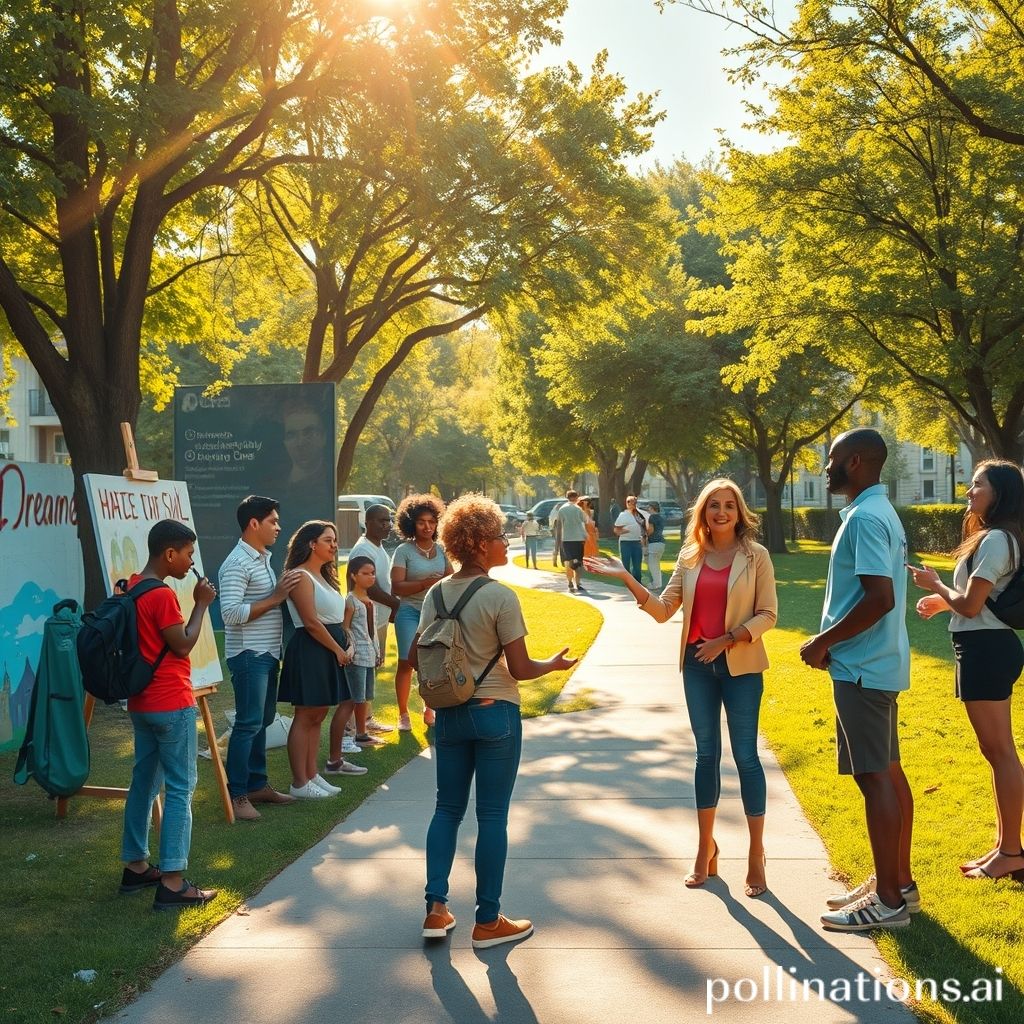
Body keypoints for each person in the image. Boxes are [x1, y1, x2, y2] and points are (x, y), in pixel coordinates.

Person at [585, 479, 777, 899]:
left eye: (729, 505)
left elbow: (768, 614)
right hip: (696, 668)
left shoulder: (755, 556)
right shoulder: (690, 557)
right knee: (705, 755)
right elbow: (663, 610)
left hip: (740, 667)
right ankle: (705, 847)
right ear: (703, 513)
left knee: (745, 756)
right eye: (713, 506)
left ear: (739, 512)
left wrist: (726, 640)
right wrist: (627, 579)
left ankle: (756, 853)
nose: (721, 512)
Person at [414, 494, 576, 947]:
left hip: (448, 714)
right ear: (481, 543)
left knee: (446, 810)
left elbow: (419, 654)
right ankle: (488, 920)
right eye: (500, 536)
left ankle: (436, 909)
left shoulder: (434, 592)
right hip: (495, 715)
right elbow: (521, 669)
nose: (506, 543)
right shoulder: (500, 597)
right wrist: (553, 665)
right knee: (491, 816)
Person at [799, 428, 918, 932]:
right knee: (888, 772)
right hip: (876, 665)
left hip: (862, 668)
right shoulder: (876, 512)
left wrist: (824, 641)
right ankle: (900, 885)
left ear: (856, 461)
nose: (825, 468)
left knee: (875, 779)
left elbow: (879, 598)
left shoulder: (867, 518)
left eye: (832, 459)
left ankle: (888, 902)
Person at [909, 459, 1024, 882]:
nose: (970, 491)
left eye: (978, 485)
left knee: (1000, 752)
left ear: (1000, 493)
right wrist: (944, 601)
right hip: (982, 646)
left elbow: (973, 606)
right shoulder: (997, 537)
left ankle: (1012, 852)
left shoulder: (996, 538)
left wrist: (936, 586)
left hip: (986, 650)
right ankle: (1004, 847)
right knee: (996, 752)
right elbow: (979, 600)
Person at [119, 519, 219, 911]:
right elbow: (182, 645)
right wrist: (201, 604)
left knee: (143, 782)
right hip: (171, 703)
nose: (191, 562)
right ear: (170, 554)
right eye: (189, 554)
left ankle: (136, 865)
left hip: (142, 702)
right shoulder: (161, 595)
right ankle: (174, 882)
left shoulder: (132, 585)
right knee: (180, 787)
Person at [218, 495, 302, 822]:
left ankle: (257, 785)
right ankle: (237, 794)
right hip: (249, 655)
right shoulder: (237, 563)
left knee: (262, 722)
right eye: (273, 521)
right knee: (248, 723)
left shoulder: (260, 558)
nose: (279, 527)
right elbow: (230, 614)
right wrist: (277, 597)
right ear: (254, 523)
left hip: (267, 653)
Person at [278, 521, 356, 798]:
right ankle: (299, 782)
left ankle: (312, 774)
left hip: (329, 648)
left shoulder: (324, 575)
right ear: (312, 544)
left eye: (335, 540)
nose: (334, 545)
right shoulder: (300, 576)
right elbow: (311, 622)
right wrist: (337, 649)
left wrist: (348, 640)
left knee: (319, 713)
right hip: (311, 649)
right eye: (328, 540)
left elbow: (336, 618)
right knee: (306, 714)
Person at [391, 494, 452, 729]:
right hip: (409, 611)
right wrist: (425, 583)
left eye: (431, 522)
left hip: (434, 614)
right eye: (421, 522)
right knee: (407, 662)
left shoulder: (441, 549)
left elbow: (451, 576)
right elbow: (397, 586)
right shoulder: (403, 551)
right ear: (411, 524)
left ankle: (429, 708)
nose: (427, 527)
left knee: (432, 662)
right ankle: (403, 713)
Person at [345, 503, 399, 740]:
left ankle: (365, 720)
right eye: (381, 521)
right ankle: (351, 728)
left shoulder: (378, 547)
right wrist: (397, 604)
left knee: (370, 671)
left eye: (389, 520)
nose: (387, 525)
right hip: (364, 620)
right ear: (367, 523)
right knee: (361, 673)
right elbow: (372, 589)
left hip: (378, 618)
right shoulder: (363, 550)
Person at [324, 557, 379, 776]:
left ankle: (362, 733)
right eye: (366, 573)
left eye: (373, 572)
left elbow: (372, 629)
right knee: (354, 696)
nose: (371, 577)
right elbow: (346, 628)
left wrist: (377, 650)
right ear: (354, 575)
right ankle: (349, 735)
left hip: (370, 652)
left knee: (365, 695)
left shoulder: (369, 599)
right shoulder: (351, 600)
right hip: (356, 655)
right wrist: (352, 647)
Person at [555, 490, 588, 593]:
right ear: (576, 497)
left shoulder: (562, 509)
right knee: (578, 562)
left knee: (568, 562)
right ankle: (578, 583)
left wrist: (558, 541)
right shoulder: (578, 509)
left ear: (567, 497)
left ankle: (569, 583)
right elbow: (585, 520)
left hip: (566, 539)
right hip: (578, 539)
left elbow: (559, 526)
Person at [613, 495, 649, 582]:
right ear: (626, 503)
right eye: (629, 502)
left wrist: (644, 545)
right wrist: (628, 530)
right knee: (626, 564)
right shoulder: (623, 515)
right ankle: (627, 582)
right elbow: (616, 530)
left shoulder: (640, 515)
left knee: (637, 565)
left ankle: (637, 583)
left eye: (633, 502)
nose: (631, 504)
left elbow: (644, 530)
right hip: (625, 542)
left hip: (637, 542)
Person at [645, 501, 666, 589]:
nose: (647, 509)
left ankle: (655, 584)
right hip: (661, 543)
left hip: (653, 543)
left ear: (652, 508)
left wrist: (644, 535)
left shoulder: (652, 517)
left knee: (652, 565)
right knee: (656, 565)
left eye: (648, 507)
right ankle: (658, 583)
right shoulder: (661, 518)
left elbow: (651, 530)